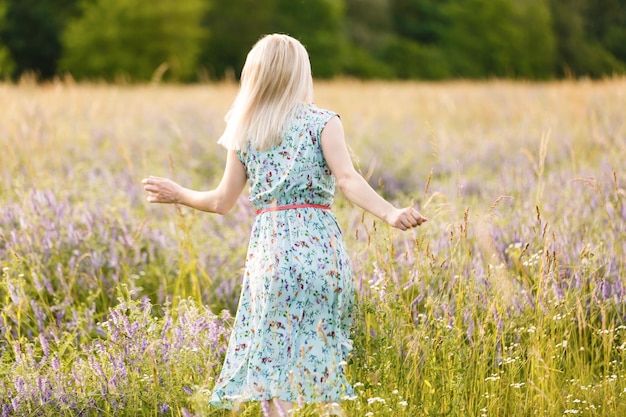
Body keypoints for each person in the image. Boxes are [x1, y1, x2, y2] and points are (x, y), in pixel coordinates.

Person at [142, 33, 427, 416]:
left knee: (272, 367)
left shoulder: (245, 130)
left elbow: (221, 202)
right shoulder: (324, 121)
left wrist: (179, 193)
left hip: (272, 256)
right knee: (321, 362)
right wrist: (391, 213)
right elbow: (347, 180)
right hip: (322, 255)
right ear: (300, 74)